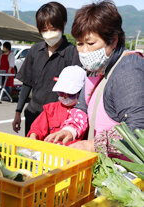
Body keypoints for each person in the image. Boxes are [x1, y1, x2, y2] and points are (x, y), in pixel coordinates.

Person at [45, 0, 144, 156]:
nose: (84, 51)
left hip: (122, 170)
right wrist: (70, 130)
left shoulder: (129, 68)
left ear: (113, 40)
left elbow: (138, 129)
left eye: (90, 43)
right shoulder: (95, 69)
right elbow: (82, 107)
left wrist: (93, 146)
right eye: (79, 43)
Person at [12, 1, 81, 136]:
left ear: (64, 24)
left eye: (53, 29)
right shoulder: (35, 50)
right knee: (31, 154)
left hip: (58, 121)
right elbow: (27, 83)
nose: (49, 34)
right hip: (33, 113)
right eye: (44, 30)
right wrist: (18, 111)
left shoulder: (73, 53)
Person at [28, 65, 86, 144]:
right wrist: (33, 135)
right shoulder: (51, 109)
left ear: (82, 92)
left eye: (70, 94)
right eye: (61, 93)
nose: (65, 97)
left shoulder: (86, 112)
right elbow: (37, 128)